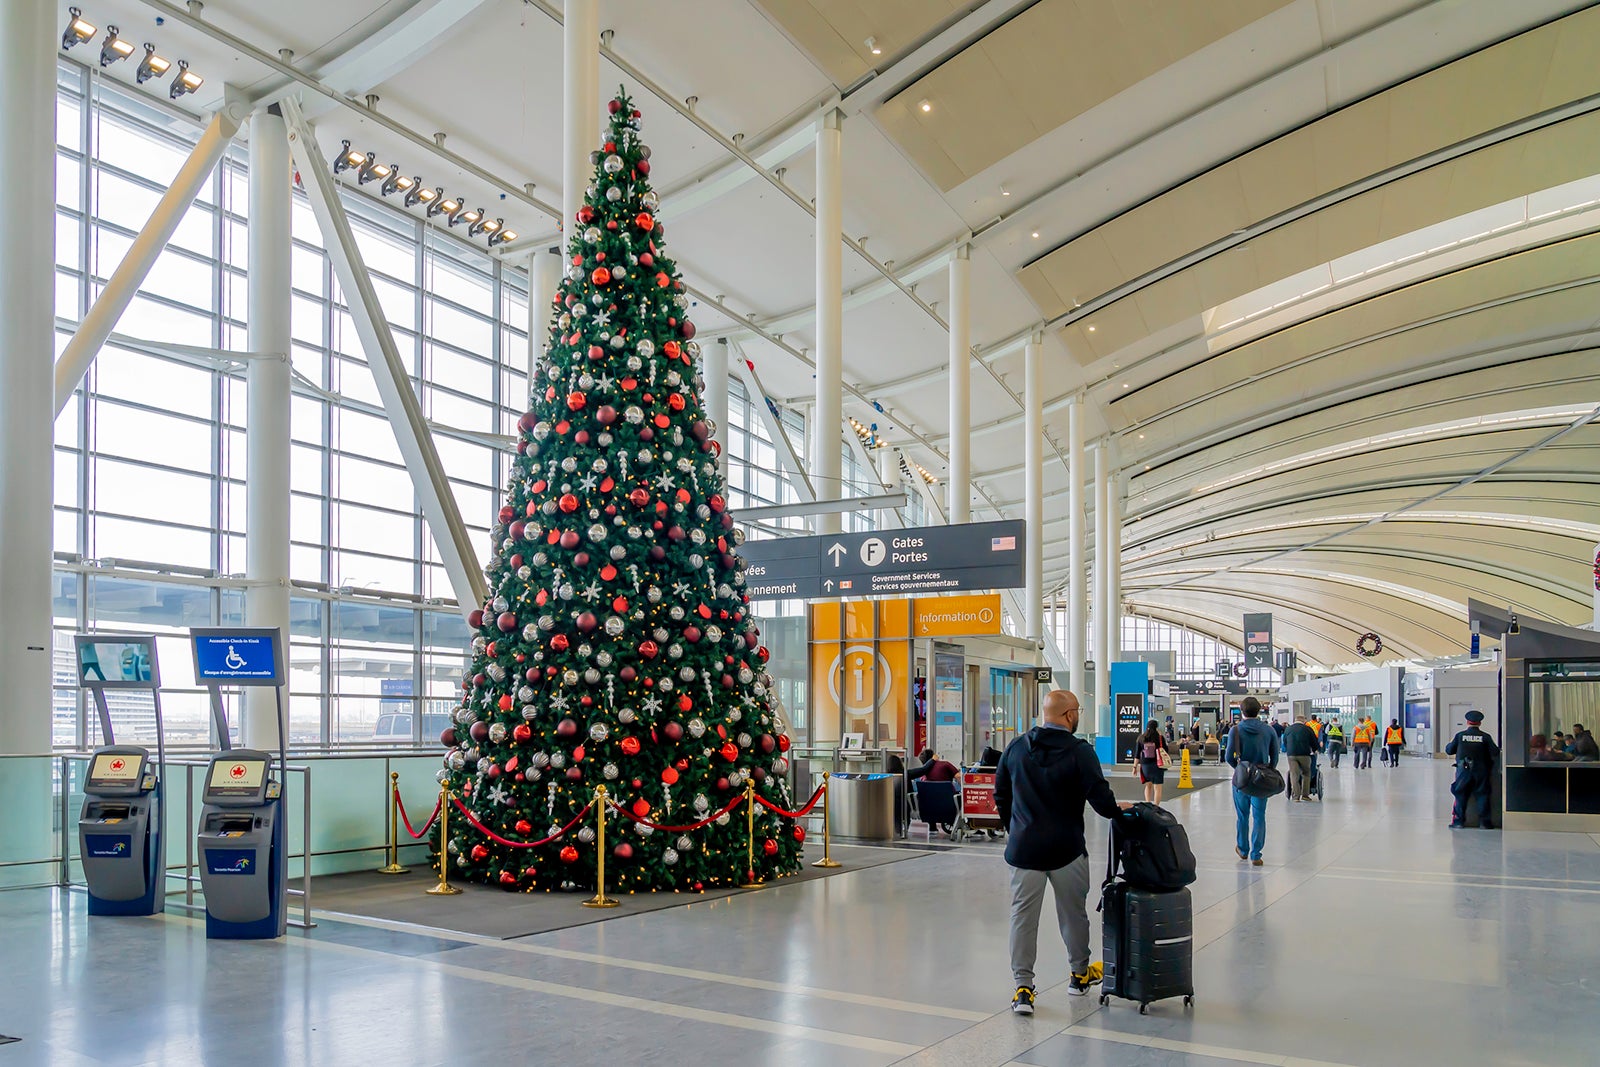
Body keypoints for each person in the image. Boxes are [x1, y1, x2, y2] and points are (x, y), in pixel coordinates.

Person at [996, 689, 1130, 1015]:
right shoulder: (1080, 752)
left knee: (1022, 919)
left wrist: (1016, 830)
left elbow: (1001, 795)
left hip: (1024, 850)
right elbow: (1100, 798)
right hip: (1066, 849)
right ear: (1070, 715)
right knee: (1073, 915)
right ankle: (1079, 975)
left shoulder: (1015, 748)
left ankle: (1023, 989)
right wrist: (1118, 810)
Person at [1225, 697, 1279, 866]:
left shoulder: (1236, 730)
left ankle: (1242, 849)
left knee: (1242, 816)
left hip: (1242, 780)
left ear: (1242, 711)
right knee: (1259, 816)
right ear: (1260, 710)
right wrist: (1266, 770)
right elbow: (1275, 757)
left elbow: (1228, 757)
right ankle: (1256, 854)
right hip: (1261, 778)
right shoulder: (1269, 730)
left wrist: (1240, 769)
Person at [1446, 710, 1500, 829]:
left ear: (1467, 722)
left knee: (1460, 794)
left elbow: (1449, 750)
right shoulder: (1485, 737)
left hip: (1463, 771)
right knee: (1482, 795)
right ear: (1480, 723)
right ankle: (1484, 823)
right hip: (1481, 771)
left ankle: (1459, 822)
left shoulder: (1460, 736)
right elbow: (1495, 752)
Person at [1282, 714, 1320, 802]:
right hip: (1304, 754)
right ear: (1304, 721)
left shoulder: (1288, 729)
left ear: (1295, 720)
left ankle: (1296, 797)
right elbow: (1314, 741)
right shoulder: (1307, 729)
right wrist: (1315, 750)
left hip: (1291, 755)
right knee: (1306, 773)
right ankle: (1305, 795)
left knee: (1294, 774)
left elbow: (1284, 742)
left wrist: (1288, 749)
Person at [1138, 719, 1166, 805]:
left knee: (1148, 786)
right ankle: (1156, 807)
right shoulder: (1160, 738)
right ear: (1156, 727)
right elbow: (1165, 750)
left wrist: (1135, 767)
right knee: (1157, 788)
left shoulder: (1141, 738)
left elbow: (1136, 754)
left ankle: (1148, 804)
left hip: (1145, 765)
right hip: (1158, 765)